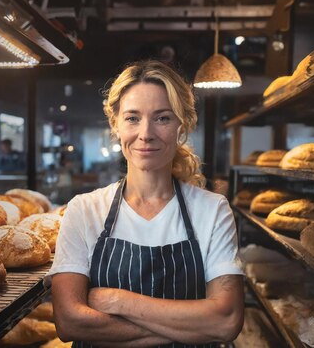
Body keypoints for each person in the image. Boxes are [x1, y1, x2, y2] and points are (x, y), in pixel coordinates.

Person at [47, 60, 244, 347]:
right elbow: (69, 321)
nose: (146, 133)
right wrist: (189, 329)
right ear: (115, 124)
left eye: (162, 118)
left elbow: (226, 320)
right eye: (132, 118)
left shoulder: (212, 210)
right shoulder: (84, 210)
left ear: (182, 125)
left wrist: (117, 300)